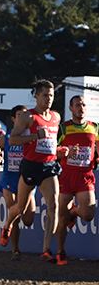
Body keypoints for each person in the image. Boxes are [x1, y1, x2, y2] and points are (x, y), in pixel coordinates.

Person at [0, 80, 62, 262]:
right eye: (45, 95)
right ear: (36, 96)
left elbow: (50, 143)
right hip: (30, 166)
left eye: (51, 95)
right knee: (20, 208)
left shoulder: (56, 117)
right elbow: (13, 141)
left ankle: (46, 249)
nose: (49, 99)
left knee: (53, 205)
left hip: (49, 166)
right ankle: (7, 225)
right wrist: (35, 136)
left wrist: (60, 150)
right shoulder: (28, 117)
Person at [55, 96, 99, 265]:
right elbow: (53, 149)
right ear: (71, 108)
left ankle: (74, 211)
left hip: (85, 176)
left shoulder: (94, 127)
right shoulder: (63, 128)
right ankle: (60, 251)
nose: (81, 107)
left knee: (88, 215)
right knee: (61, 217)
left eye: (83, 105)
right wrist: (64, 151)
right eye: (77, 105)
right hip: (66, 176)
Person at [0, 105, 35, 260]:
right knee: (15, 213)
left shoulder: (32, 135)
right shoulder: (7, 136)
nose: (22, 118)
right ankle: (15, 249)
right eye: (19, 115)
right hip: (9, 179)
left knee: (28, 219)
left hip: (27, 178)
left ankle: (6, 225)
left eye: (25, 115)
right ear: (13, 119)